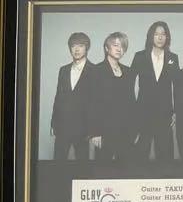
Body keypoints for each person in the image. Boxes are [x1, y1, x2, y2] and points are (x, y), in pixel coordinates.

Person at [131, 21, 178, 161]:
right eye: (156, 34)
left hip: (165, 114)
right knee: (140, 155)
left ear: (167, 37)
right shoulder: (139, 56)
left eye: (163, 34)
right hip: (143, 113)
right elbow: (128, 84)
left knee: (165, 156)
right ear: (151, 36)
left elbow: (178, 86)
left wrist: (176, 111)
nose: (160, 37)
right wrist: (133, 109)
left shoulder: (173, 58)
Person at [89, 31, 137, 162]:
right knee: (103, 168)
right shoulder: (96, 70)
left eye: (122, 46)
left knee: (125, 168)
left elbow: (131, 102)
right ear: (106, 48)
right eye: (115, 45)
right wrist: (95, 132)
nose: (119, 49)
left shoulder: (128, 71)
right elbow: (92, 103)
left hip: (126, 130)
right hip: (104, 131)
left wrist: (135, 130)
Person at [51, 31, 93, 160]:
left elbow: (97, 103)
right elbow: (58, 98)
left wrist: (93, 129)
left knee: (82, 165)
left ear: (86, 48)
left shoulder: (95, 70)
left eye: (81, 45)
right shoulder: (63, 70)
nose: (77, 49)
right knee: (58, 163)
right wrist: (53, 123)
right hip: (63, 126)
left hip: (83, 128)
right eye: (73, 46)